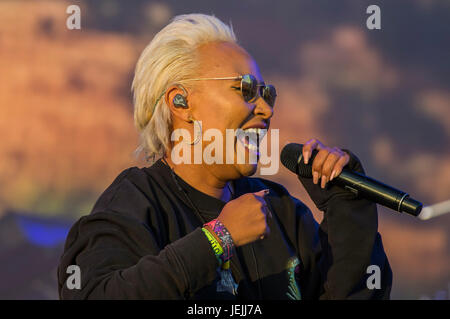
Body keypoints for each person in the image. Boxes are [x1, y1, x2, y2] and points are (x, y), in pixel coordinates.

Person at [57, 13, 392, 300]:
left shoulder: (280, 210)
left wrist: (348, 209)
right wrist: (217, 238)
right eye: (246, 89)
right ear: (181, 103)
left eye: (268, 94)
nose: (265, 109)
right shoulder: (135, 203)